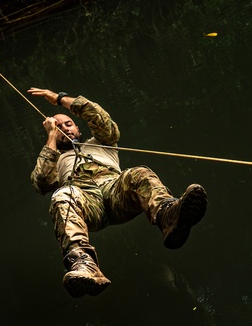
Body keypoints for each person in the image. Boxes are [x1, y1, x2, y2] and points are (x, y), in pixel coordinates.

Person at [27, 88, 208, 298]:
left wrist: (59, 99)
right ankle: (84, 265)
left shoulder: (102, 142)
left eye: (68, 124)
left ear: (77, 127)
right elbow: (40, 181)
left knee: (138, 173)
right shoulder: (55, 160)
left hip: (116, 192)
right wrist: (51, 136)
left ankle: (168, 216)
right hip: (87, 203)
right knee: (61, 196)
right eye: (58, 127)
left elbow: (101, 119)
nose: (64, 129)